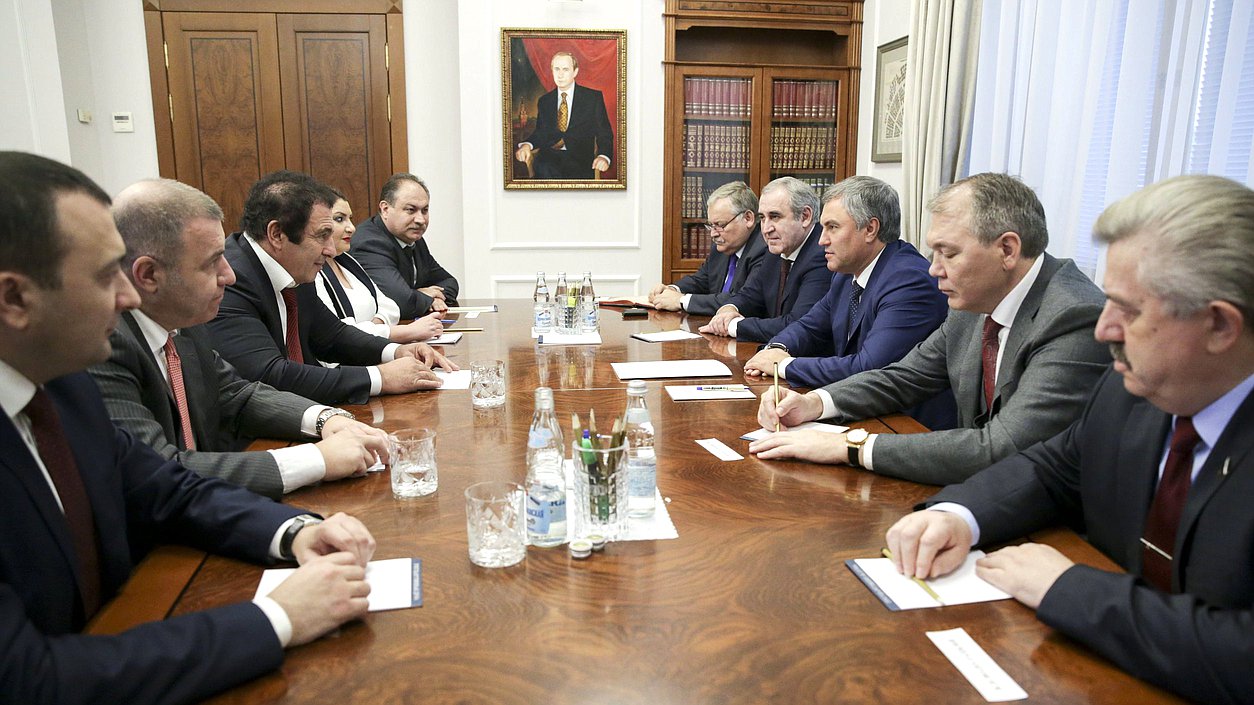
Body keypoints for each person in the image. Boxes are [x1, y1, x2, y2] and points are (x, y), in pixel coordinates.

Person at [0, 151, 375, 705]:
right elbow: (31, 679)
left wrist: (293, 532)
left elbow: (164, 488)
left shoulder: (58, 383)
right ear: (15, 299)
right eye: (107, 275)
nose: (129, 296)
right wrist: (276, 618)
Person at [885, 175, 1254, 705]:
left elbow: (1242, 652)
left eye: (1128, 310)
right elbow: (1054, 468)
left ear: (1220, 326)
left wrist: (1071, 590)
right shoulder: (1137, 387)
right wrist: (958, 515)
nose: (1104, 329)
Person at [752, 173, 1109, 484]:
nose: (934, 269)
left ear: (1007, 249)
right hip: (979, 487)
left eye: (948, 253)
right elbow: (904, 377)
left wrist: (849, 446)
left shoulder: (1072, 317)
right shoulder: (974, 300)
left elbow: (1001, 447)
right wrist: (813, 403)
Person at [88, 178, 390, 499]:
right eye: (211, 262)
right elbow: (160, 471)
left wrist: (325, 419)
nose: (228, 275)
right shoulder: (104, 347)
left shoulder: (184, 319)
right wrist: (317, 459)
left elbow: (236, 393)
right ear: (148, 275)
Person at [207, 170, 456, 406]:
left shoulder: (295, 268)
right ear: (277, 234)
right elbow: (269, 375)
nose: (330, 249)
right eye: (322, 235)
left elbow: (332, 336)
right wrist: (380, 377)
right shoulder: (233, 280)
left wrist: (397, 352)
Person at [743, 176, 955, 430]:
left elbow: (869, 367)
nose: (822, 240)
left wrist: (784, 365)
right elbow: (809, 325)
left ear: (870, 229)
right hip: (862, 411)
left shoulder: (908, 279)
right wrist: (776, 348)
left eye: (833, 227)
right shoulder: (846, 274)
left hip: (908, 427)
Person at [699, 177, 831, 342]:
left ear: (805, 216)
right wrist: (728, 309)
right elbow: (751, 294)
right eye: (762, 218)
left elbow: (797, 324)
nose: (766, 229)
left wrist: (733, 326)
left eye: (775, 217)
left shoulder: (823, 255)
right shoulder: (776, 248)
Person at [316, 190, 445, 343]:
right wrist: (406, 331)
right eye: (339, 219)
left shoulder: (347, 262)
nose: (351, 228)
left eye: (350, 219)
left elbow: (390, 306)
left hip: (371, 350)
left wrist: (373, 328)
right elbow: (338, 331)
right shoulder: (313, 272)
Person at [349, 173, 460, 319]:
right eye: (410, 210)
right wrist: (423, 296)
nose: (421, 220)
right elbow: (401, 302)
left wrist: (435, 298)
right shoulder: (370, 243)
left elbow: (449, 281)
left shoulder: (413, 237)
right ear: (385, 209)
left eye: (425, 210)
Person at [647, 181, 768, 316]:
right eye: (711, 225)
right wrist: (671, 290)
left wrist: (681, 300)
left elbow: (740, 300)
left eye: (720, 225)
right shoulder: (722, 248)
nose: (713, 234)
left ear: (748, 218)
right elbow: (700, 281)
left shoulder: (764, 250)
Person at [514, 50, 614, 180]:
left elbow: (604, 133)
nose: (560, 74)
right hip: (548, 161)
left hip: (580, 161)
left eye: (565, 69)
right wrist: (527, 145)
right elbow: (540, 133)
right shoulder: (545, 101)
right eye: (556, 69)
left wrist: (603, 156)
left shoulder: (592, 98)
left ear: (575, 72)